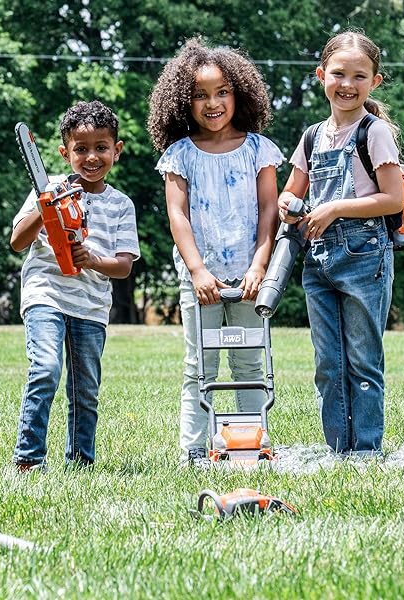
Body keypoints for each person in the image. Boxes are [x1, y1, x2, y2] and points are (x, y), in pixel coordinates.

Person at [147, 37, 282, 467]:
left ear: (239, 94)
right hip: (199, 277)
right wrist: (198, 270)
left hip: (248, 278)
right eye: (200, 95)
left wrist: (259, 266)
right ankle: (194, 450)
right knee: (198, 367)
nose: (213, 103)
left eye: (222, 91)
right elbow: (178, 216)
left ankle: (249, 447)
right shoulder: (179, 155)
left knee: (248, 365)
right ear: (182, 103)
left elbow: (268, 212)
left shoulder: (260, 149)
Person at [278, 30, 404, 458]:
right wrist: (288, 205)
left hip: (365, 255)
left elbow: (392, 199)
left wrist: (332, 209)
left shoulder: (375, 132)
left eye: (359, 76)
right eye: (338, 74)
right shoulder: (313, 135)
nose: (347, 84)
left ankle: (366, 452)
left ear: (375, 82)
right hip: (318, 258)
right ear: (321, 76)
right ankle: (339, 451)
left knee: (362, 362)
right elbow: (292, 191)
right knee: (329, 365)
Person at [10, 100, 140, 472]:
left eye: (101, 148)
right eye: (81, 149)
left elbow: (124, 266)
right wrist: (44, 207)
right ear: (65, 152)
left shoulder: (120, 205)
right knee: (46, 368)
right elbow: (18, 241)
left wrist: (92, 259)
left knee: (85, 390)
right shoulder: (48, 187)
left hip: (91, 305)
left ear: (116, 150)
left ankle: (81, 462)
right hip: (46, 294)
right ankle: (28, 459)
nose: (91, 157)